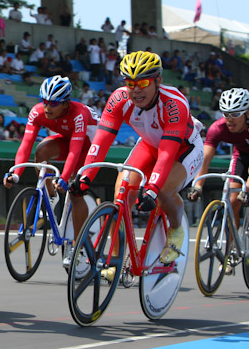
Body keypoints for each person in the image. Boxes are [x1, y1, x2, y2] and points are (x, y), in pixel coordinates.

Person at [71, 51, 204, 277]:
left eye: (142, 82)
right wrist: (85, 177)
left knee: (162, 191)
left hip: (183, 150)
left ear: (158, 81)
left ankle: (175, 230)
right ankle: (114, 259)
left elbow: (166, 155)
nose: (136, 89)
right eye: (130, 83)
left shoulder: (174, 104)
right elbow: (101, 142)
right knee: (121, 194)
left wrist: (151, 190)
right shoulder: (119, 99)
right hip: (149, 145)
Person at [4, 76, 99, 266]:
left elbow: (75, 151)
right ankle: (50, 195)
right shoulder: (37, 112)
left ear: (65, 104)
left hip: (89, 145)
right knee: (42, 150)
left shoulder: (78, 114)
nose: (47, 107)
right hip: (67, 136)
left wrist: (64, 178)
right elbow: (26, 144)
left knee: (75, 191)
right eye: (45, 101)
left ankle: (76, 246)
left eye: (53, 103)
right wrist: (16, 173)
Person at [188, 88, 249, 239]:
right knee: (232, 201)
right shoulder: (218, 128)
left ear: (248, 113)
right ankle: (232, 248)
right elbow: (205, 159)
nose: (230, 119)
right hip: (242, 153)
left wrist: (247, 191)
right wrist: (198, 186)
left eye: (236, 114)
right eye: (226, 114)